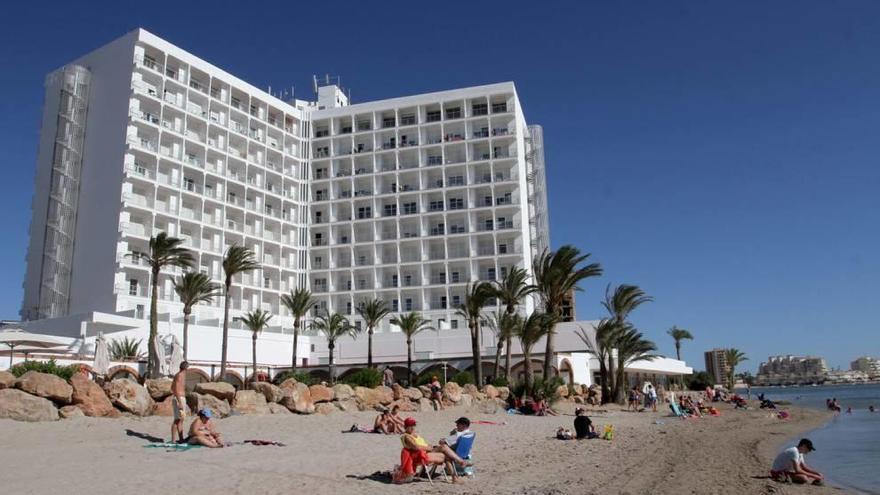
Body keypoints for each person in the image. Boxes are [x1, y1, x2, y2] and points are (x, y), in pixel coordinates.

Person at [170, 361, 189, 443]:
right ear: (186, 368)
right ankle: (174, 439)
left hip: (180, 398)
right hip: (179, 398)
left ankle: (181, 439)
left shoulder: (178, 375)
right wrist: (179, 401)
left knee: (181, 419)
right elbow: (176, 389)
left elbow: (172, 387)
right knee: (177, 419)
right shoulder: (180, 375)